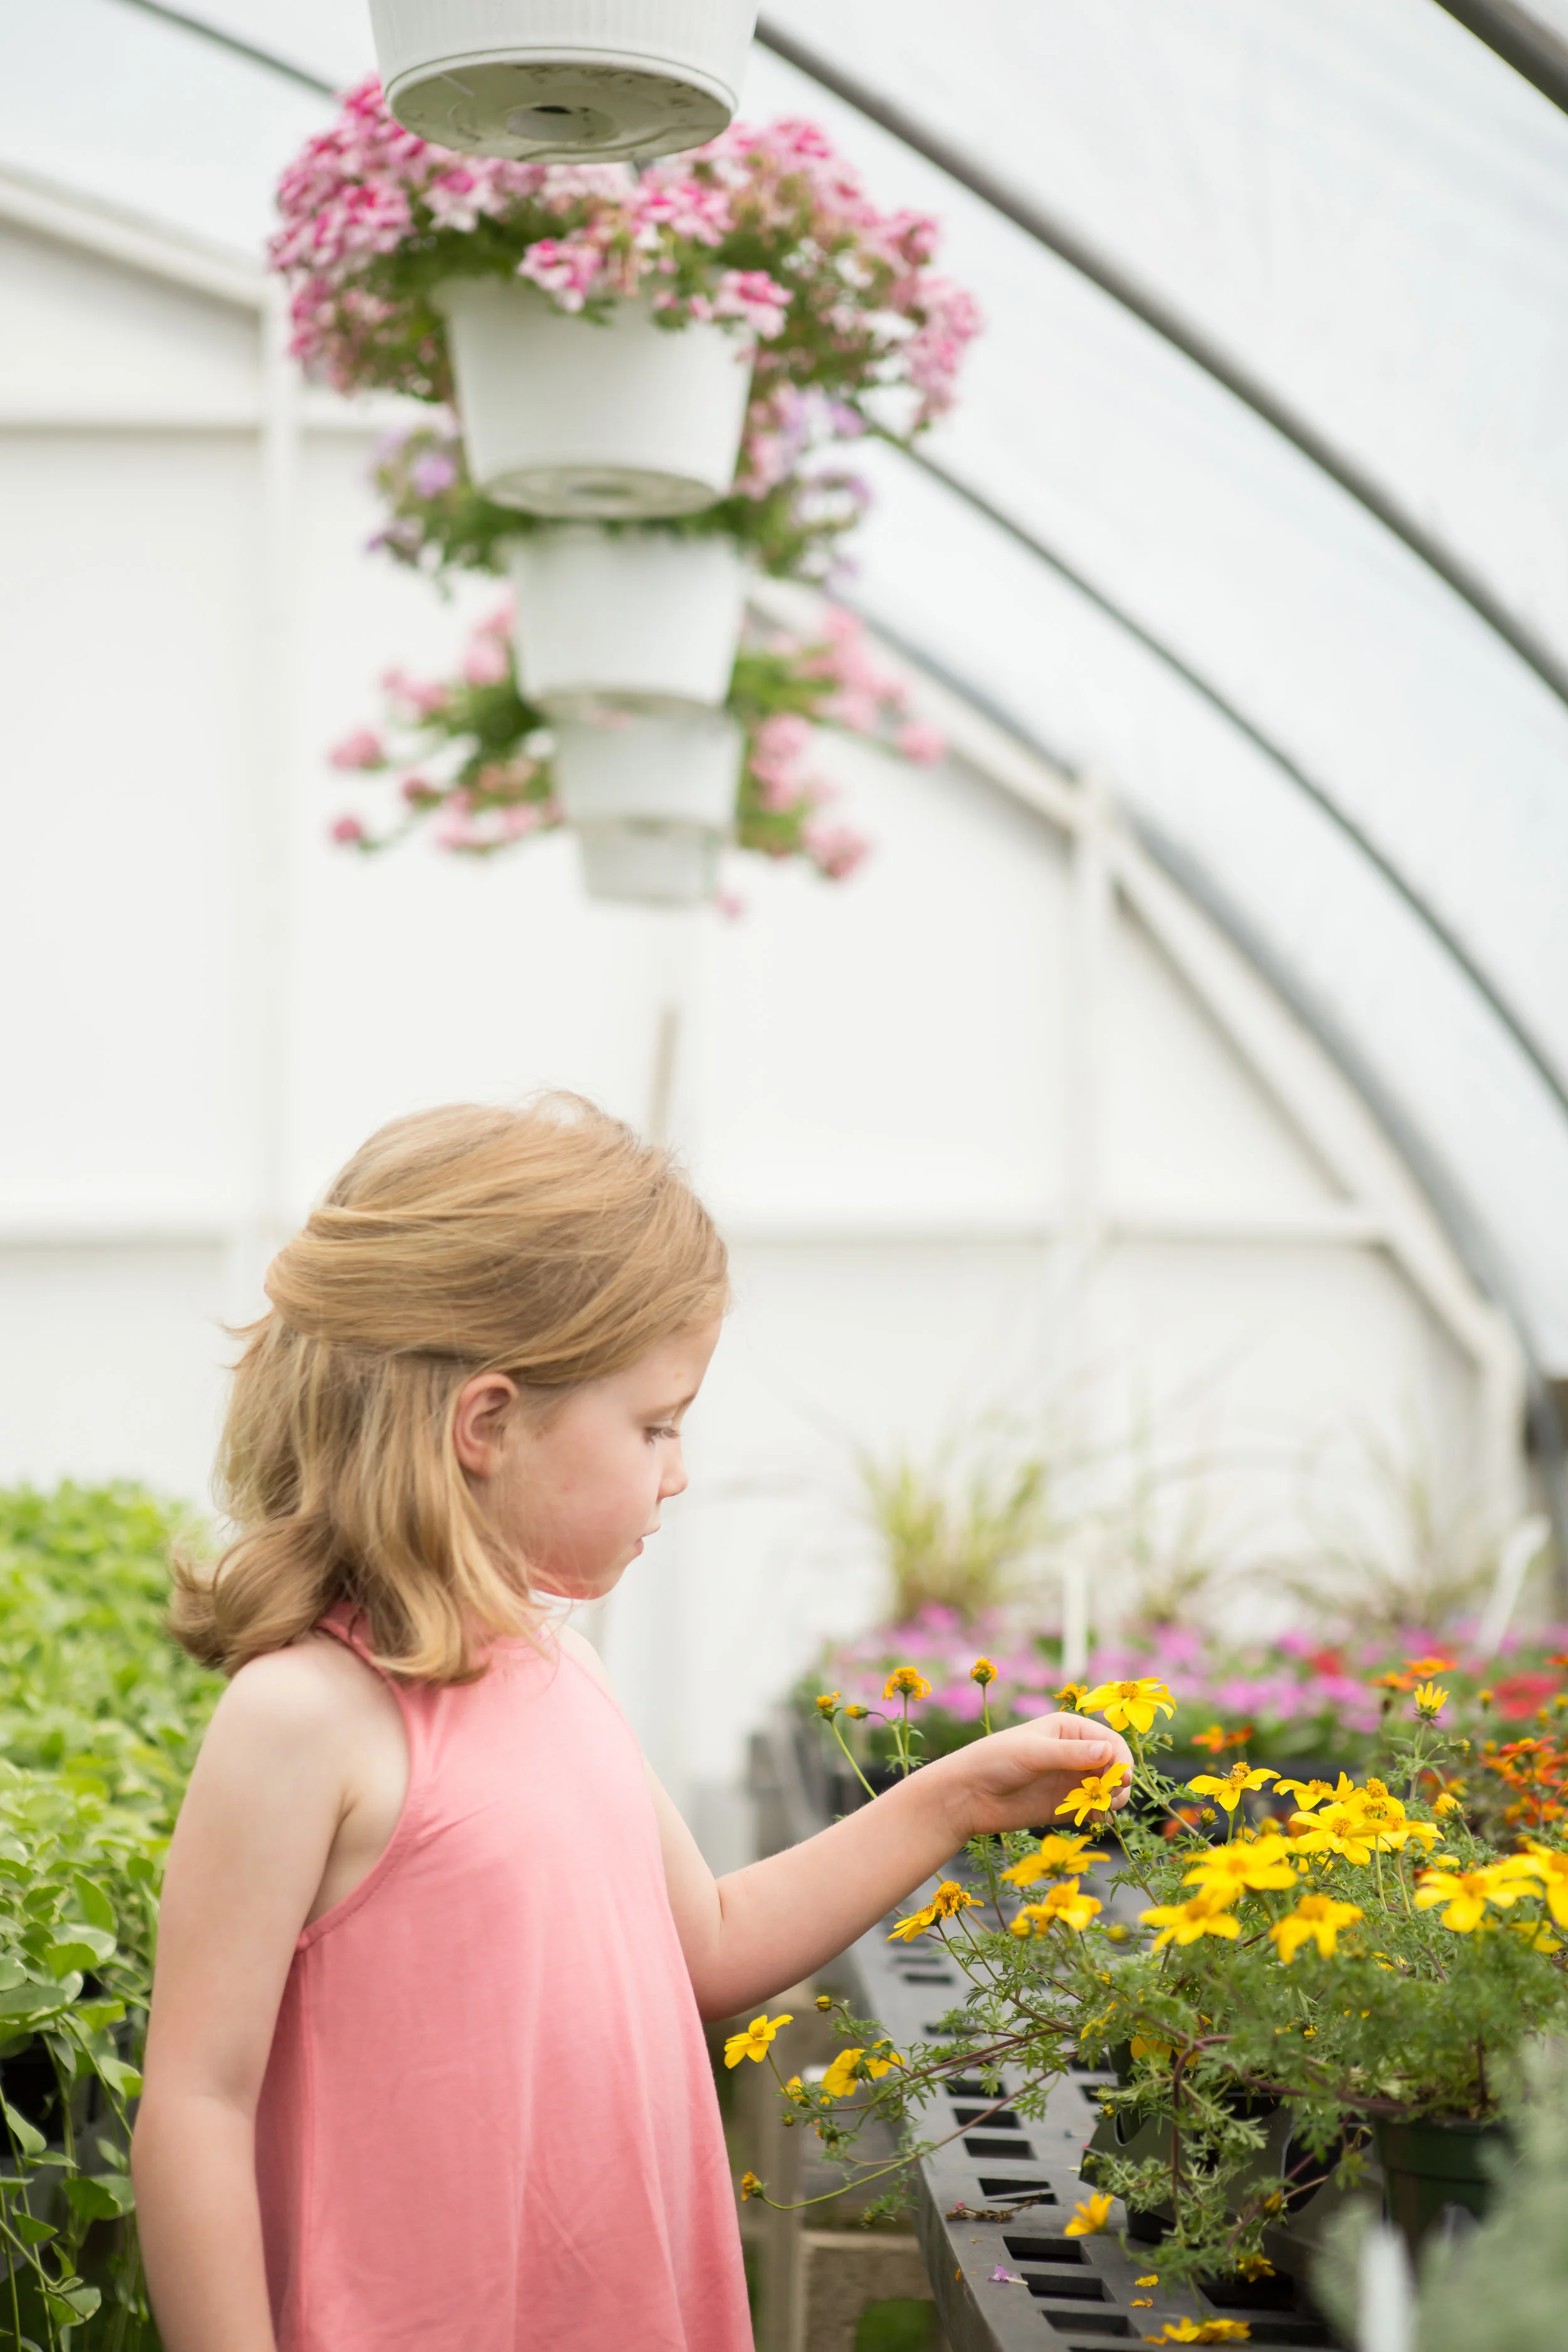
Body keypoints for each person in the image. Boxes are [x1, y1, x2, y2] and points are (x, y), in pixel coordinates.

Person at [132, 1094, 1132, 2352]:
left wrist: (956, 1798)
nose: (678, 1468)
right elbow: (197, 2104)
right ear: (485, 1424)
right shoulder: (303, 1719)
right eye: (654, 1423)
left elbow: (701, 1945)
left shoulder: (562, 1673)